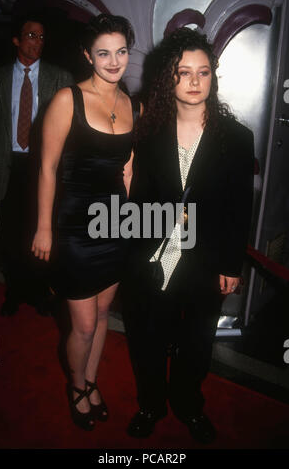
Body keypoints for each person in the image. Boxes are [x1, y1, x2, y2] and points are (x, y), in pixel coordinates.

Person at [122, 27, 254, 444]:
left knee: (196, 344)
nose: (195, 82)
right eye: (184, 72)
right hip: (152, 256)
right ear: (169, 78)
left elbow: (239, 207)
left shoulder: (236, 138)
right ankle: (151, 405)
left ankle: (188, 405)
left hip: (206, 259)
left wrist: (232, 264)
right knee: (147, 338)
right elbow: (138, 197)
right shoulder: (148, 132)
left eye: (203, 73)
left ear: (213, 77)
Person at [32, 14, 138, 431]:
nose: (114, 62)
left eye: (122, 52)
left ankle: (92, 381)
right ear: (87, 56)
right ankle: (77, 385)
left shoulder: (130, 101)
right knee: (85, 323)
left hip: (115, 224)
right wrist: (44, 228)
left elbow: (127, 166)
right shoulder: (66, 100)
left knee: (106, 309)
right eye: (104, 53)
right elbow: (46, 167)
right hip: (75, 226)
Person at [0, 14, 73, 316]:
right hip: (9, 166)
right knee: (13, 235)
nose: (37, 42)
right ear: (16, 39)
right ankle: (15, 290)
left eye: (41, 37)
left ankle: (41, 291)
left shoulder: (59, 78)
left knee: (42, 231)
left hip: (44, 168)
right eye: (30, 35)